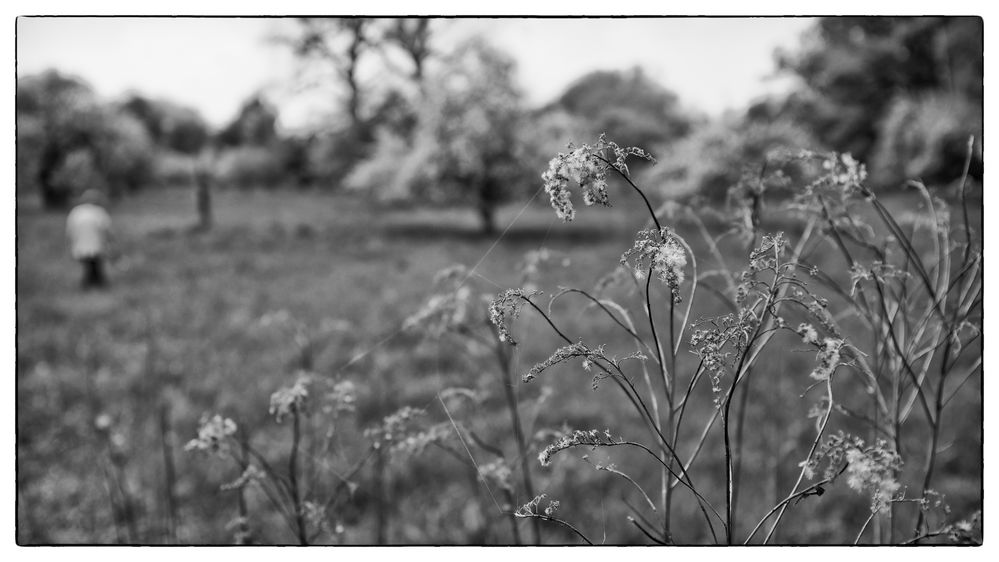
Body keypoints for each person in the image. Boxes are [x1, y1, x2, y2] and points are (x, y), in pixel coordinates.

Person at [66, 189, 114, 289]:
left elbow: (69, 230)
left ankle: (92, 286)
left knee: (90, 266)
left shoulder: (76, 212)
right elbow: (107, 230)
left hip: (80, 245)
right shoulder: (99, 212)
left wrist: (72, 242)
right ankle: (96, 286)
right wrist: (111, 242)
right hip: (96, 245)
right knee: (94, 267)